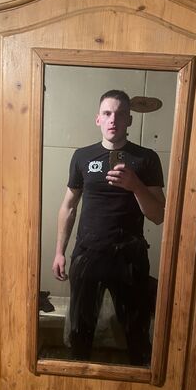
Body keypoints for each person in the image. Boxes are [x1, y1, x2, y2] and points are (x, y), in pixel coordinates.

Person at [52, 89, 165, 366]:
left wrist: (135, 185)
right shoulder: (82, 156)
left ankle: (137, 386)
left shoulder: (146, 158)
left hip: (130, 258)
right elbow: (68, 206)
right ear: (98, 119)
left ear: (129, 120)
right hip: (87, 255)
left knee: (137, 335)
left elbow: (159, 215)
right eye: (107, 113)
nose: (113, 119)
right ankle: (78, 385)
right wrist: (59, 252)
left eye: (120, 114)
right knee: (80, 333)